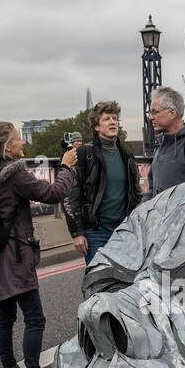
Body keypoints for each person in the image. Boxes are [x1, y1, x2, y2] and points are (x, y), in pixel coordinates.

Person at [0, 122, 69, 368]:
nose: (23, 144)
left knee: (4, 317)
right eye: (18, 140)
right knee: (35, 318)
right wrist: (66, 168)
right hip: (14, 256)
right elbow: (53, 194)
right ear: (6, 147)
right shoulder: (14, 175)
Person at [60, 100, 141, 265]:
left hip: (124, 231)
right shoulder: (84, 154)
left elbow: (136, 194)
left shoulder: (127, 156)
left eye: (115, 118)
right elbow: (70, 195)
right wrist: (77, 233)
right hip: (96, 232)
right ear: (96, 126)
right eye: (107, 119)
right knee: (99, 284)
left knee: (123, 284)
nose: (112, 122)